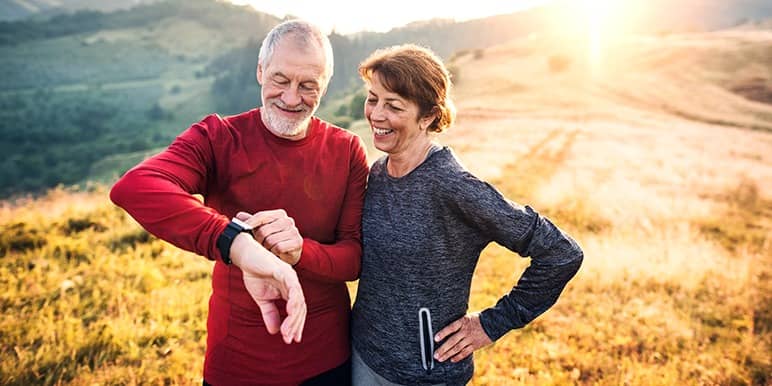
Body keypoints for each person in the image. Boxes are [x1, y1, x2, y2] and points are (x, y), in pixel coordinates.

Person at [110, 20, 368, 386]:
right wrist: (237, 241)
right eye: (281, 80)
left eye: (308, 86)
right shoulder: (217, 137)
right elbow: (136, 186)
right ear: (260, 71)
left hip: (326, 358)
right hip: (237, 362)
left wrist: (299, 253)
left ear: (324, 86)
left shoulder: (346, 149)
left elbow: (353, 258)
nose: (292, 98)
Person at [350, 44, 584, 386]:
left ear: (428, 116)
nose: (376, 114)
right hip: (363, 358)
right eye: (373, 99)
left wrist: (491, 324)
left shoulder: (454, 186)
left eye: (394, 106)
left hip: (424, 376)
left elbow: (562, 254)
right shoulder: (378, 174)